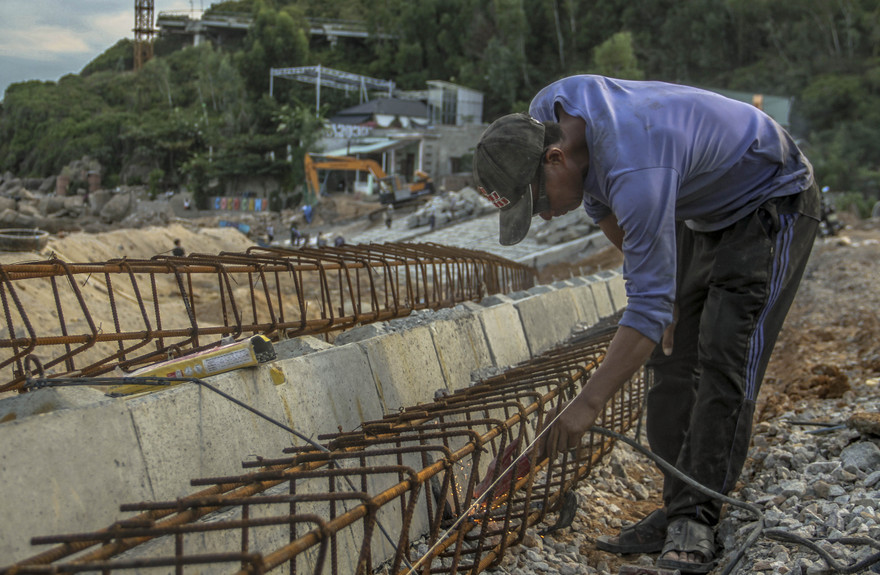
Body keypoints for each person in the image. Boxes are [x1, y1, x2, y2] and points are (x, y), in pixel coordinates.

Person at [472, 75, 819, 574]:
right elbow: (604, 207)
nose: (546, 217)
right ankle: (675, 508)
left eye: (540, 202)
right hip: (700, 206)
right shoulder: (545, 113)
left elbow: (645, 301)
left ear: (554, 160)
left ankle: (695, 519)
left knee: (726, 358)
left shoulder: (636, 166)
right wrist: (661, 292)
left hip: (770, 196)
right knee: (671, 358)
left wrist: (587, 404)